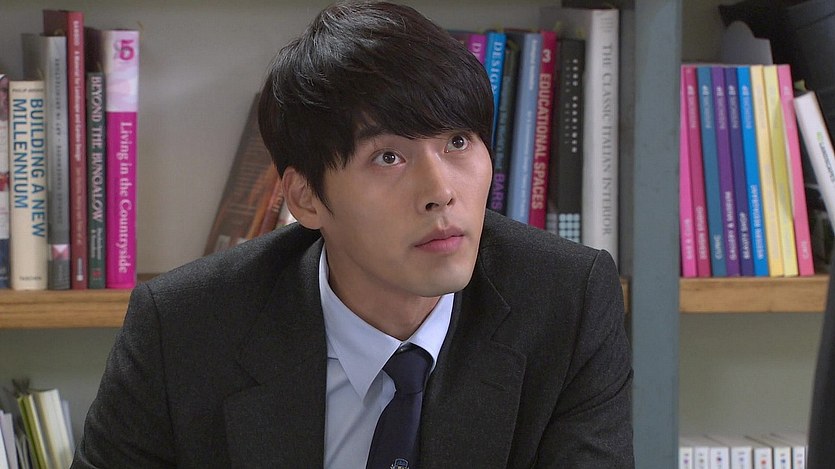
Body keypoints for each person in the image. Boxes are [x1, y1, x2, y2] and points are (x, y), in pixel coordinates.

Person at [71, 2, 633, 468]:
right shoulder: (184, 327)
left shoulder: (568, 300)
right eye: (388, 157)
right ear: (305, 198)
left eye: (458, 142)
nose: (441, 191)